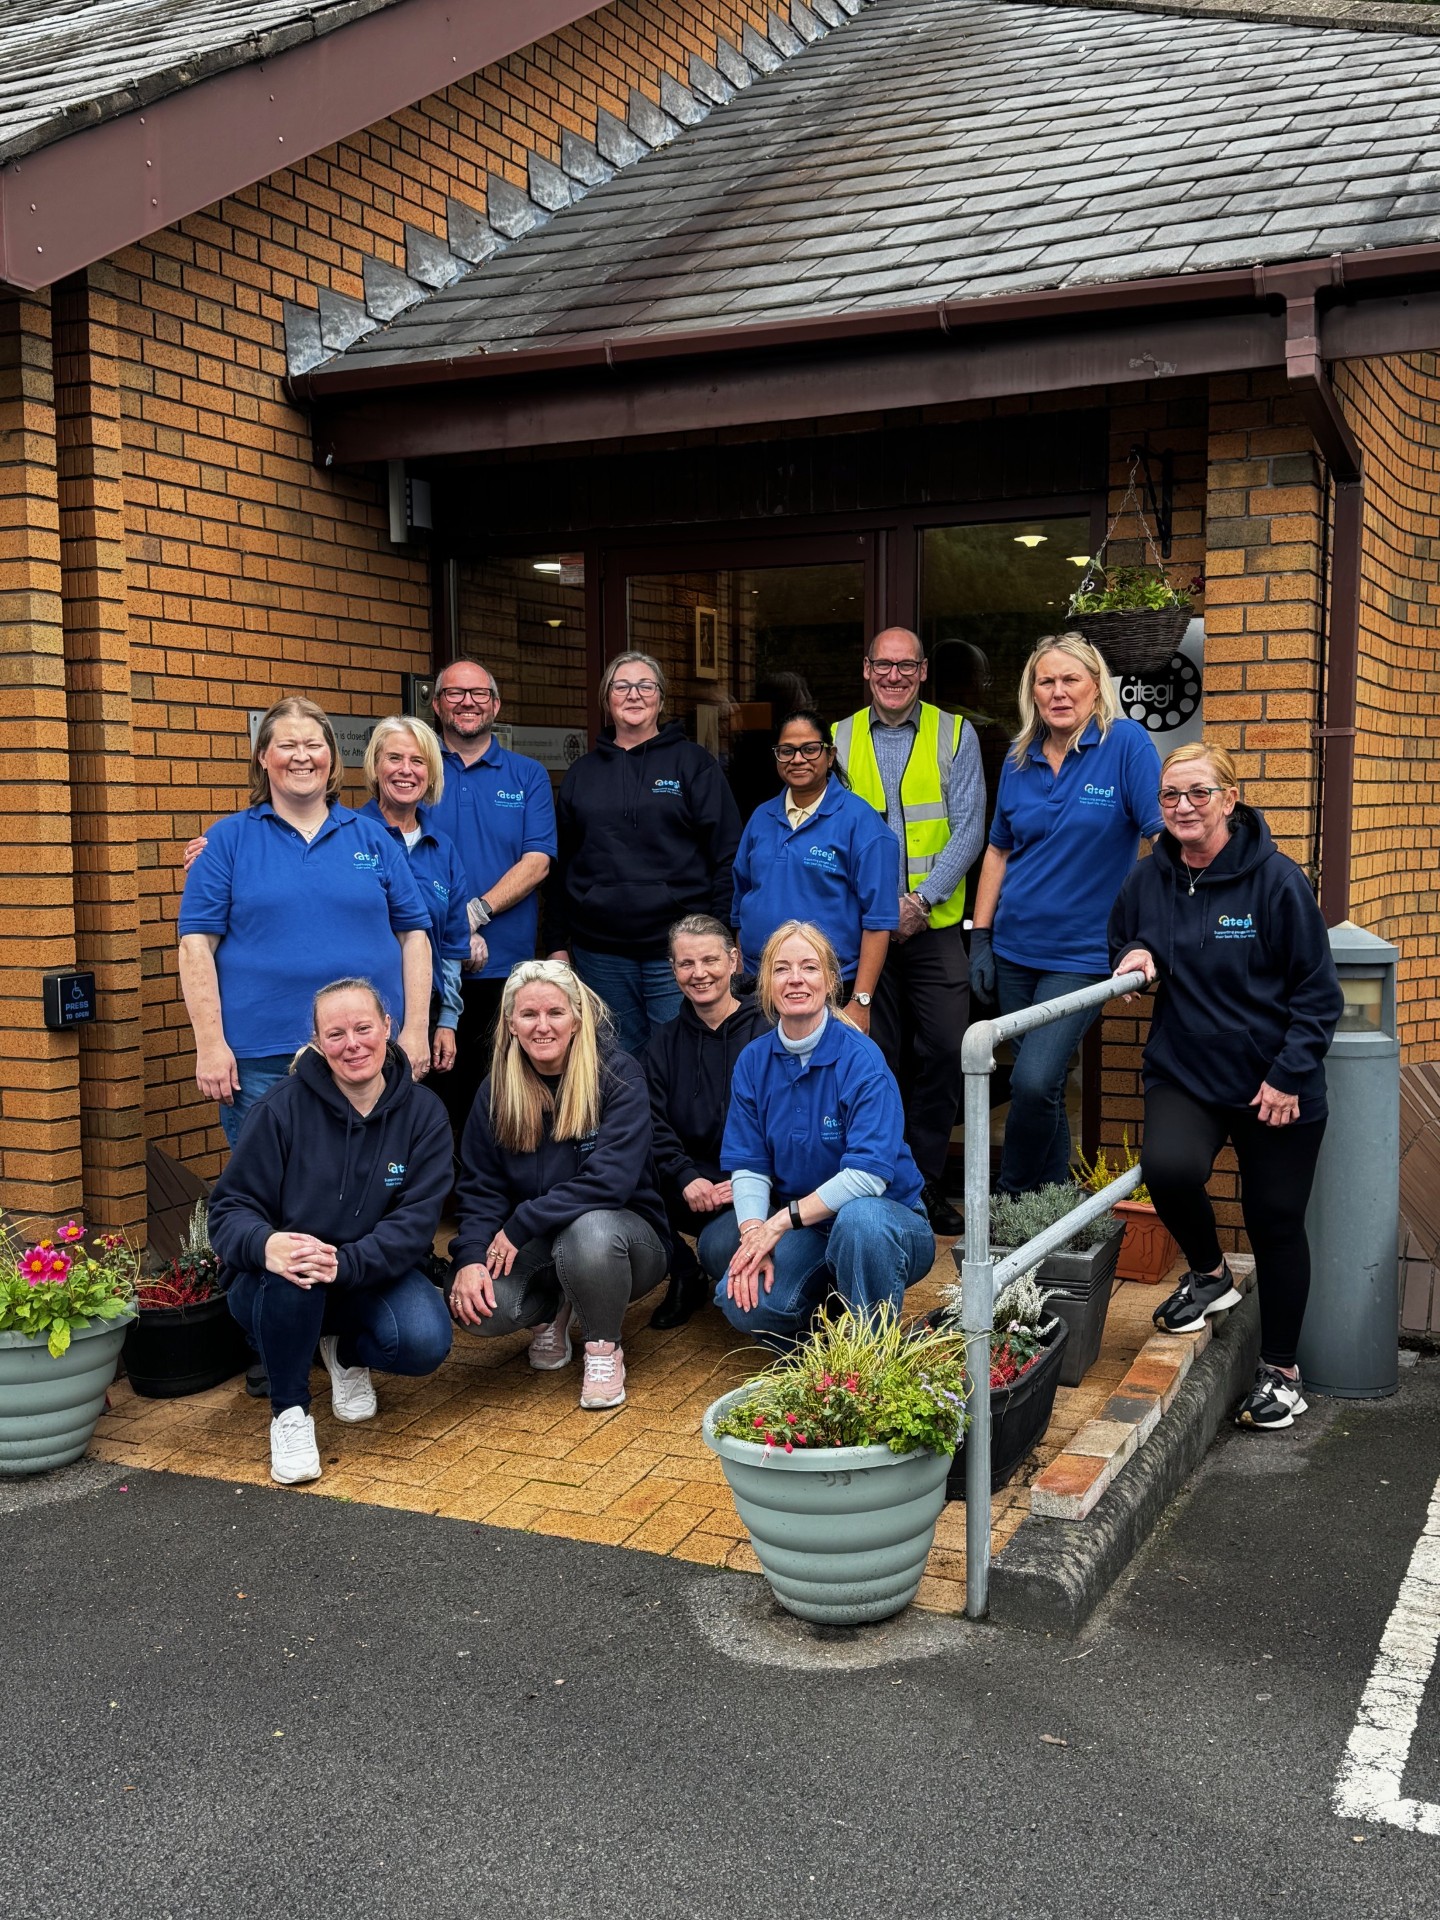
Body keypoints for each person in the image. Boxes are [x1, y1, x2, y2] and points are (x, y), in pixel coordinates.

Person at [1109, 740, 1343, 1431]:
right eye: (1171, 796)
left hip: (1277, 1081)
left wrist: (1289, 1074)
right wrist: (1133, 955)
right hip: (1187, 1068)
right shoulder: (1148, 879)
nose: (1183, 807)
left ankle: (1283, 1372)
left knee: (1273, 1220)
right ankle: (1210, 1274)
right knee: (1168, 1167)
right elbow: (1119, 938)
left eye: (1198, 793)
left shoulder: (1276, 881)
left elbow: (1318, 994)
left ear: (1229, 800)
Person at [207, 978, 454, 1486]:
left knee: (425, 1341)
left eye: (363, 1028)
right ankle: (290, 1413)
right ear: (318, 1042)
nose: (352, 1044)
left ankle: (342, 1352)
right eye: (335, 1034)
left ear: (388, 1028)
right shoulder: (279, 1109)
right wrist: (266, 1243)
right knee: (297, 1264)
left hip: (366, 1274)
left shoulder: (424, 1114)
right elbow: (229, 1209)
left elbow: (415, 1222)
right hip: (281, 1285)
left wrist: (348, 1263)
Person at [177, 696, 435, 1148]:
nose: (302, 756)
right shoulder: (225, 842)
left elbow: (414, 936)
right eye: (287, 745)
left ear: (331, 757)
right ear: (263, 757)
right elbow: (195, 945)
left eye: (314, 745)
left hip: (368, 1052)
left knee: (371, 1186)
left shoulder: (374, 838)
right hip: (262, 1058)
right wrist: (210, 1043)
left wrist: (415, 1030)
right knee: (270, 1193)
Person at [969, 634, 1163, 1194]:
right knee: (1044, 1087)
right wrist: (981, 936)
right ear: (1033, 691)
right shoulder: (1019, 755)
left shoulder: (1124, 743)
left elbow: (1159, 841)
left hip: (1081, 955)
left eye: (1070, 679)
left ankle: (1009, 1199)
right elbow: (999, 849)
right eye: (1046, 681)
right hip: (1012, 950)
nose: (1058, 692)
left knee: (1031, 1082)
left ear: (1095, 684)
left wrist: (1143, 936)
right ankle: (1052, 1210)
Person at [447, 959, 670, 1410]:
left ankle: (603, 1347)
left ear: (577, 1017)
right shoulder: (496, 1090)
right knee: (481, 1310)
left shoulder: (617, 1075)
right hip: (537, 1242)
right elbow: (479, 1187)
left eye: (555, 1013)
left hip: (623, 1241)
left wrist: (519, 1223)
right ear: (511, 1023)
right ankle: (553, 1311)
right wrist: (470, 1258)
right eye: (529, 1015)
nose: (542, 1026)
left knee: (587, 1232)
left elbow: (609, 1183)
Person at [698, 920, 933, 1346]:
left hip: (887, 1222)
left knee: (860, 1221)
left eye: (808, 967)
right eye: (782, 969)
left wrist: (780, 1223)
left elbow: (868, 1176)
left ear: (829, 979)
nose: (795, 980)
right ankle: (821, 1346)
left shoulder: (861, 1059)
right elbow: (749, 1164)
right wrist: (755, 1234)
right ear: (766, 984)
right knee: (741, 1301)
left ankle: (872, 1351)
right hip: (809, 1227)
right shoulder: (754, 1061)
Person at [834, 627, 986, 1235]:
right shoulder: (838, 738)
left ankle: (924, 1184)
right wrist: (878, 908)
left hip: (936, 926)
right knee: (875, 1060)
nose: (893, 676)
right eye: (882, 666)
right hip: (863, 932)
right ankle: (883, 1184)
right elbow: (832, 829)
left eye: (906, 667)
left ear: (923, 672)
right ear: (866, 669)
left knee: (949, 1050)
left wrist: (921, 899)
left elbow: (971, 826)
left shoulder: (955, 733)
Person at [546, 651, 741, 1056]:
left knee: (686, 1057)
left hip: (678, 952)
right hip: (600, 953)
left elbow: (727, 856)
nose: (633, 695)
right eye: (622, 686)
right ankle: (631, 1125)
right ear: (607, 699)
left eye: (645, 686)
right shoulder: (583, 773)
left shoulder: (693, 764)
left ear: (661, 699)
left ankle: (679, 1125)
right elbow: (560, 862)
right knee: (617, 1064)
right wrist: (556, 943)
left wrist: (718, 935)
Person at [425, 658, 556, 1138]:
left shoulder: (527, 775)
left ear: (495, 705)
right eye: (455, 694)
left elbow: (538, 861)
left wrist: (475, 913)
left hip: (502, 967)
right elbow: (381, 846)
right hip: (425, 967)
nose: (467, 702)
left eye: (478, 694)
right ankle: (439, 1200)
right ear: (437, 704)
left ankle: (485, 1204)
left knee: (497, 1091)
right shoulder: (416, 770)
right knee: (433, 1092)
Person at [730, 709, 899, 1030]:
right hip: (760, 989)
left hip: (832, 990)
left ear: (830, 755)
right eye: (787, 751)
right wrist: (741, 979)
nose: (798, 759)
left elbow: (878, 922)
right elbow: (741, 904)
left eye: (810, 749)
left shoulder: (862, 824)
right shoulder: (760, 818)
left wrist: (860, 1002)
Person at [641, 913, 771, 1329]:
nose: (699, 974)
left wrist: (749, 1181)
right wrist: (683, 1175)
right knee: (619, 1175)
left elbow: (787, 1125)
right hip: (691, 1184)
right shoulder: (663, 1042)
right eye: (685, 964)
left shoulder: (769, 1032)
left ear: (734, 961)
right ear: (673, 970)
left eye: (710, 961)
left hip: (759, 1186)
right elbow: (649, 1120)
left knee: (721, 1246)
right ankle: (684, 1273)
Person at [358, 716, 471, 1077]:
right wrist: (212, 850)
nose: (406, 771)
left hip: (429, 1016)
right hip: (361, 1016)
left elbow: (453, 945)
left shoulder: (443, 849)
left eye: (418, 761)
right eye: (394, 758)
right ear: (375, 766)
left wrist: (447, 1021)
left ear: (431, 773)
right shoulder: (349, 834)